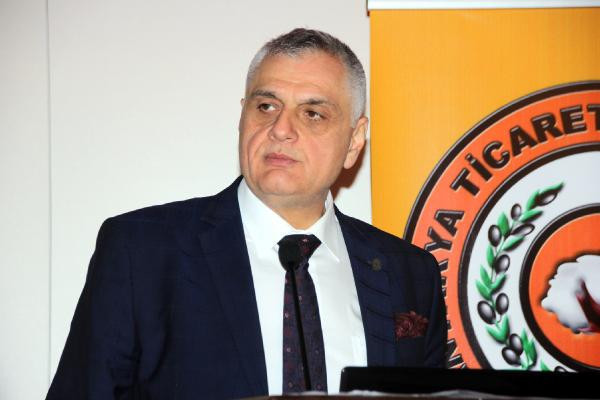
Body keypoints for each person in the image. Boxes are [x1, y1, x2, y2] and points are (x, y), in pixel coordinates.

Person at [47, 28, 446, 400]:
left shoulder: (410, 275)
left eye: (312, 113)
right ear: (242, 118)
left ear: (355, 141)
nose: (281, 129)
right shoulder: (143, 253)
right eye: (266, 106)